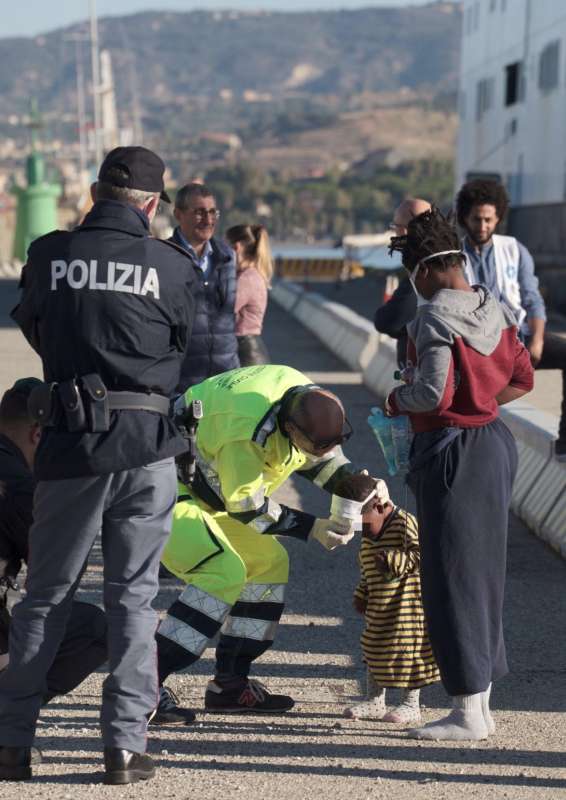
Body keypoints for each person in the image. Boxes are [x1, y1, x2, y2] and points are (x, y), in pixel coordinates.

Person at [0, 146, 197, 785]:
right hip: (146, 446)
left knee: (45, 598)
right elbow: (181, 343)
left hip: (70, 444)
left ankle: (10, 743)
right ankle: (122, 747)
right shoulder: (171, 263)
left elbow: (33, 326)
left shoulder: (50, 255)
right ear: (150, 205)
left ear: (93, 191)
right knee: (135, 600)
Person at [386, 208, 533, 741]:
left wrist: (395, 397)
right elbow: (523, 376)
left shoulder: (432, 319)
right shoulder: (489, 304)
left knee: (450, 577)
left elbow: (432, 393)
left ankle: (467, 714)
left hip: (450, 450)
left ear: (423, 270)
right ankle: (481, 705)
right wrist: (483, 402)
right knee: (483, 576)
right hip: (493, 443)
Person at [155, 364, 369, 716]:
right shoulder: (245, 432)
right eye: (316, 445)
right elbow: (247, 507)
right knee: (221, 572)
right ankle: (143, 683)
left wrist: (358, 484)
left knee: (268, 564)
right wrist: (311, 527)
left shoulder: (304, 398)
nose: (323, 452)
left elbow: (319, 458)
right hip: (163, 486)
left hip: (211, 490)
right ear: (289, 429)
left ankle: (230, 684)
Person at [0, 378, 107, 699]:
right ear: (38, 435)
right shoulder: (19, 486)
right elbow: (54, 575)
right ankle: (7, 723)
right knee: (94, 629)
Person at [456, 178, 566, 459]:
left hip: (518, 338)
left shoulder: (514, 250)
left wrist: (538, 340)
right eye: (476, 219)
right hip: (476, 347)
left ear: (498, 218)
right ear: (465, 218)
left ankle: (565, 441)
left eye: (488, 220)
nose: (482, 226)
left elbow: (533, 299)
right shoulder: (455, 257)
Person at [341, 474, 439, 724]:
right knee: (374, 648)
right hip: (379, 608)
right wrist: (362, 593)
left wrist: (394, 560)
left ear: (380, 507)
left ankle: (411, 703)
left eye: (362, 523)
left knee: (408, 652)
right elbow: (367, 568)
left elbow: (423, 554)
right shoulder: (368, 537)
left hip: (407, 608)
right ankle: (375, 700)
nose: (360, 530)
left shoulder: (405, 523)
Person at [170, 183, 239, 391]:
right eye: (199, 213)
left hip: (226, 379)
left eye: (212, 212)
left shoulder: (228, 257)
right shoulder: (164, 257)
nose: (208, 220)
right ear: (178, 214)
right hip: (182, 381)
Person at [374, 198, 431, 368]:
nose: (395, 234)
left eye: (395, 228)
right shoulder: (451, 260)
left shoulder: (424, 267)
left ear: (405, 231)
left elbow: (390, 320)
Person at [225, 224, 272, 366]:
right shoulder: (252, 274)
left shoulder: (247, 278)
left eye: (226, 247)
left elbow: (223, 310)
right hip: (248, 349)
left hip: (245, 353)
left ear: (236, 248)